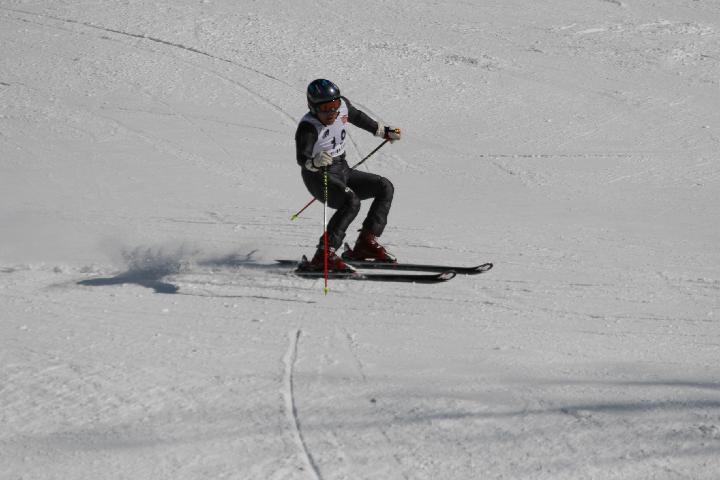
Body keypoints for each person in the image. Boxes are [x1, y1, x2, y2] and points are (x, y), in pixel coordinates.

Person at [295, 79, 401, 272]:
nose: (331, 112)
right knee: (351, 201)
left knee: (384, 186)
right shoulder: (308, 126)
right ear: (312, 107)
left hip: (342, 169)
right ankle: (323, 256)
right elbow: (302, 157)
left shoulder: (342, 106)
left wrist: (383, 131)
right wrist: (313, 162)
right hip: (318, 176)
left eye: (334, 105)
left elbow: (358, 117)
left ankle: (365, 244)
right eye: (325, 108)